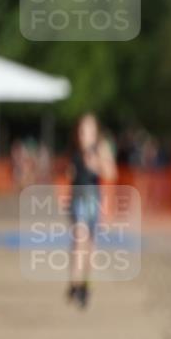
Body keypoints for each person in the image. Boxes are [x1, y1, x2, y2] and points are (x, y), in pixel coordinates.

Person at [67, 113, 116, 308]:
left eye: (87, 130)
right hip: (77, 198)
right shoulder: (73, 149)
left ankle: (85, 283)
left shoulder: (100, 148)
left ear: (95, 132)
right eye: (81, 130)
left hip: (93, 198)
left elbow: (111, 172)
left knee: (90, 244)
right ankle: (75, 282)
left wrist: (95, 164)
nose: (83, 134)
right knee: (79, 238)